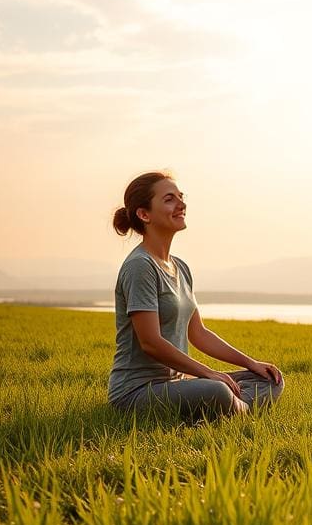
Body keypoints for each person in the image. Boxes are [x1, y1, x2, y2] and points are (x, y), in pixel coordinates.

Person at [108, 171, 284, 420]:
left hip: (177, 384)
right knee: (217, 391)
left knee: (269, 379)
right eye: (169, 199)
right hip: (137, 392)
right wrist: (209, 374)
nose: (181, 204)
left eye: (181, 197)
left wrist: (251, 363)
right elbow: (150, 342)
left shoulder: (180, 267)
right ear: (144, 214)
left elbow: (199, 333)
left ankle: (225, 408)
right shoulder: (140, 266)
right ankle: (237, 410)